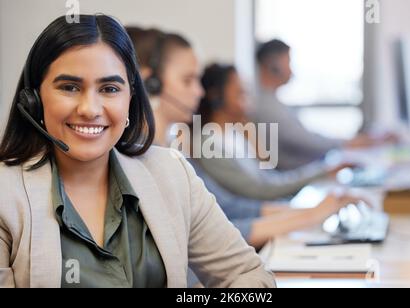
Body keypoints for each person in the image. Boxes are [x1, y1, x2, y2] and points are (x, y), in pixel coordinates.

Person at [0, 15, 275, 288]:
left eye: (109, 89)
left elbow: (253, 278)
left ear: (130, 98)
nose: (90, 109)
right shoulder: (6, 195)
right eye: (70, 87)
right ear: (33, 99)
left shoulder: (170, 173)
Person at [127, 28, 363, 249]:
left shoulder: (178, 149)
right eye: (188, 80)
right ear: (151, 84)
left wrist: (309, 211)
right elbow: (245, 201)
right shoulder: (191, 146)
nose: (198, 92)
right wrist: (311, 213)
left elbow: (229, 207)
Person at [195, 64, 348, 201]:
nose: (249, 101)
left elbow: (268, 178)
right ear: (216, 96)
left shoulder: (233, 134)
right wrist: (321, 173)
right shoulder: (208, 144)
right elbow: (261, 189)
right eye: (241, 93)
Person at [252, 39, 394, 170]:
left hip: (306, 171)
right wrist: (347, 143)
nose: (291, 70)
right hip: (296, 177)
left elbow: (306, 136)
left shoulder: (272, 101)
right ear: (273, 65)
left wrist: (349, 142)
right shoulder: (267, 107)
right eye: (288, 62)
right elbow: (305, 141)